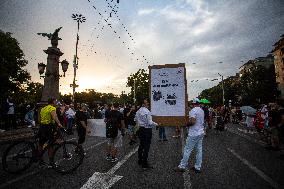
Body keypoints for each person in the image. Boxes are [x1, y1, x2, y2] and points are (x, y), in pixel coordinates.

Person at [174, 98, 204, 173]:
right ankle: (198, 167)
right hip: (201, 132)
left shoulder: (193, 110)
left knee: (187, 150)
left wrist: (185, 124)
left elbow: (193, 121)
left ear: (193, 103)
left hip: (194, 133)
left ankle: (182, 166)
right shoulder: (201, 110)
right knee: (199, 150)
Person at [38, 97, 63, 167]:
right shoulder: (52, 108)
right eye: (55, 101)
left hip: (42, 127)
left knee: (41, 143)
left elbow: (40, 118)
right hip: (48, 128)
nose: (56, 102)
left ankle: (40, 160)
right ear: (53, 101)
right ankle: (51, 162)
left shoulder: (43, 108)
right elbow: (55, 117)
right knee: (50, 145)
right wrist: (59, 124)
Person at [135, 99, 158, 169]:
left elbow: (135, 120)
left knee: (141, 145)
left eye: (148, 103)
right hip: (147, 130)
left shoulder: (138, 111)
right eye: (147, 103)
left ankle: (140, 160)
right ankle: (144, 164)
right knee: (146, 147)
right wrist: (157, 124)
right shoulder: (147, 111)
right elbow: (150, 122)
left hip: (140, 129)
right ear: (143, 104)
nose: (148, 104)